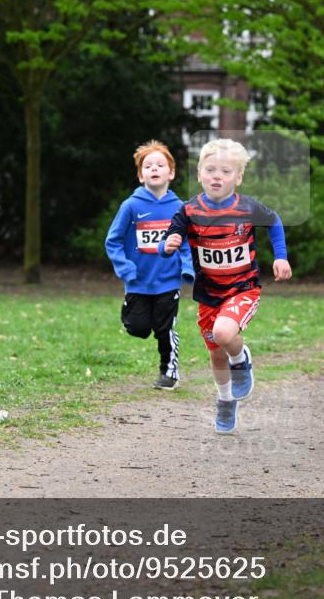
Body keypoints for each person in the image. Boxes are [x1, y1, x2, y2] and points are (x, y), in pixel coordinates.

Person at [159, 139, 292, 434]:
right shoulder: (188, 211)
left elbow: (274, 221)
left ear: (238, 178)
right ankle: (225, 399)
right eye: (210, 170)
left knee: (224, 333)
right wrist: (168, 245)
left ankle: (241, 359)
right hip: (209, 294)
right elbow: (169, 239)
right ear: (199, 174)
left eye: (226, 171)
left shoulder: (247, 207)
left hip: (243, 288)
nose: (217, 176)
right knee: (215, 351)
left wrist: (281, 257)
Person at [105, 140, 194, 390]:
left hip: (168, 280)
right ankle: (145, 323)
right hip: (138, 281)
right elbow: (113, 241)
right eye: (148, 165)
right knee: (137, 327)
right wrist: (126, 269)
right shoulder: (131, 206)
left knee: (165, 329)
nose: (154, 169)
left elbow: (187, 242)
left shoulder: (180, 208)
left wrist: (187, 268)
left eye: (160, 165)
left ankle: (169, 372)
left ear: (171, 172)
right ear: (140, 174)